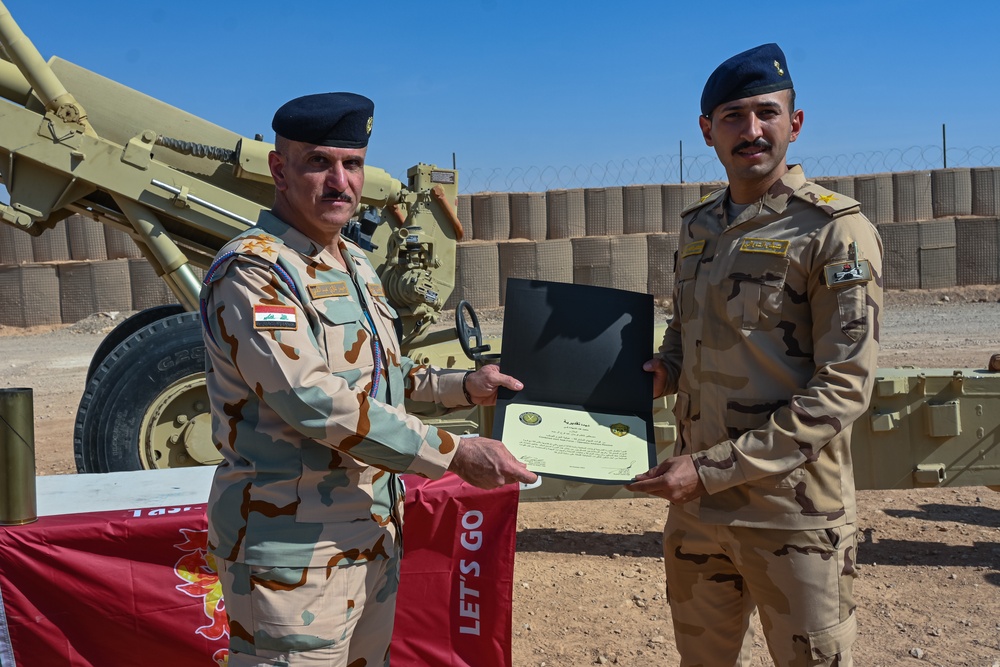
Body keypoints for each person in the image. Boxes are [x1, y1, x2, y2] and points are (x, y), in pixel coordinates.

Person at [199, 92, 536, 667]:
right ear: (279, 169)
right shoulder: (254, 271)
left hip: (370, 537)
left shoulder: (352, 262)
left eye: (351, 164)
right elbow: (312, 400)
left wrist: (466, 387)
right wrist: (453, 452)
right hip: (292, 558)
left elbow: (385, 377)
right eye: (318, 162)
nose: (340, 182)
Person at [627, 44, 883, 667]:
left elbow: (844, 386)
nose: (752, 130)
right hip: (697, 516)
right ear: (706, 130)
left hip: (792, 517)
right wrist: (663, 370)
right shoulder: (699, 228)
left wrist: (708, 470)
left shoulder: (833, 231)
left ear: (795, 124)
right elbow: (684, 332)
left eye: (767, 113)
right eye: (733, 116)